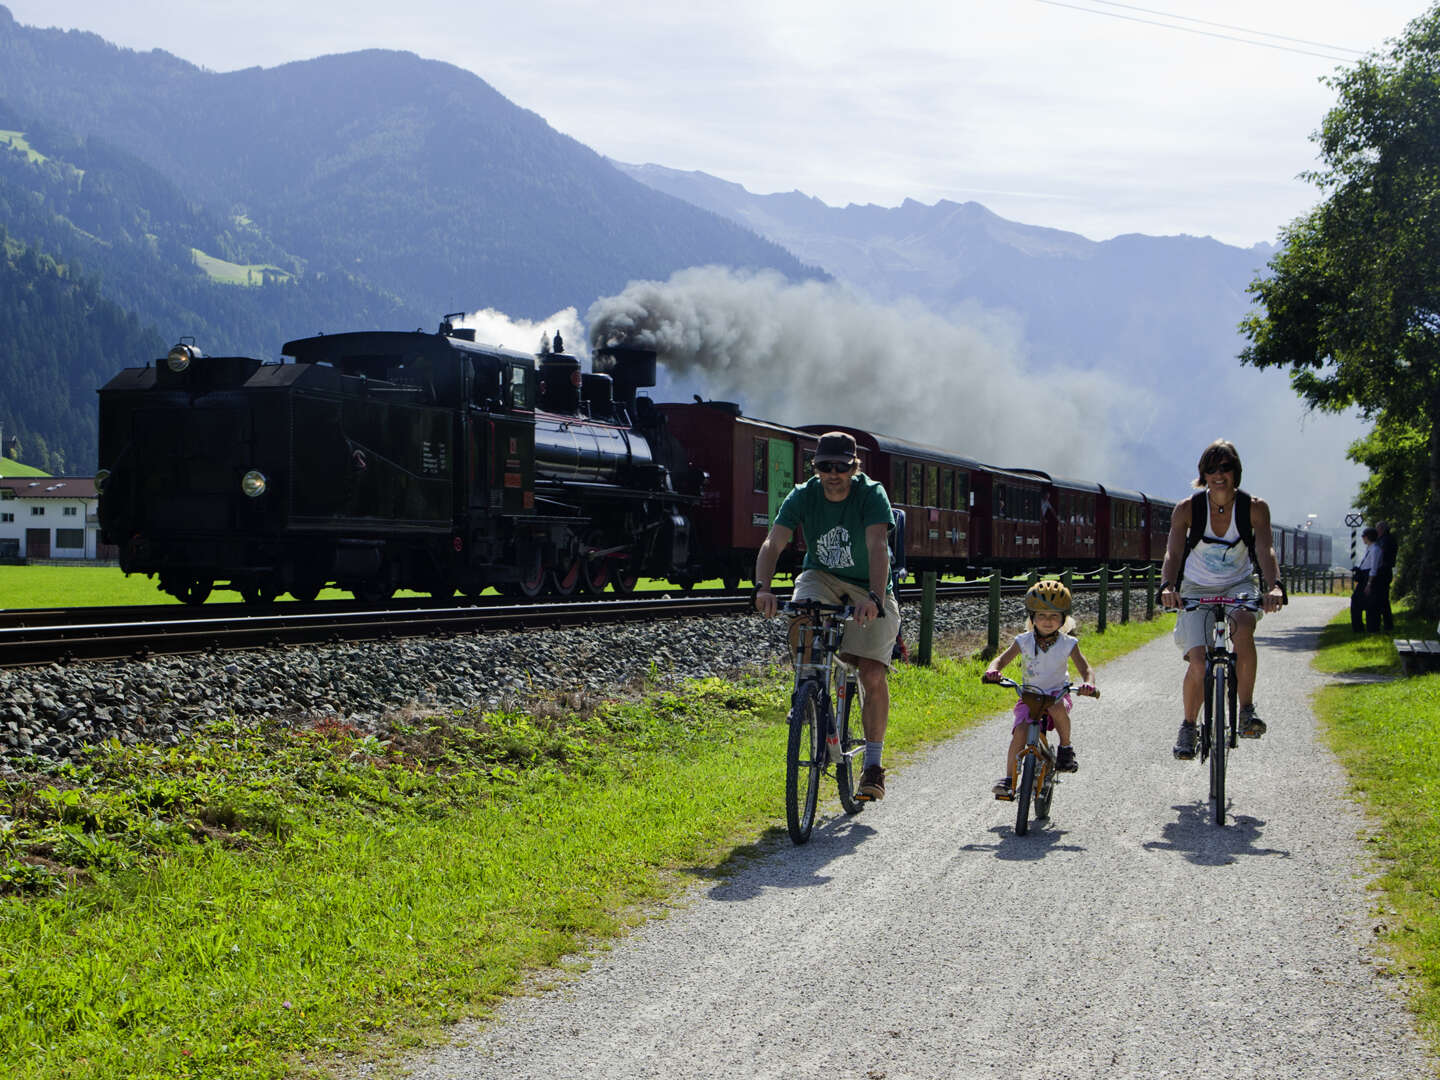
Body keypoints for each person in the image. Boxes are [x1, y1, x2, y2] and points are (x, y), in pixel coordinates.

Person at [754, 430, 902, 801]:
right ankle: (805, 693)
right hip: (820, 576)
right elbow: (774, 541)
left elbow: (877, 544)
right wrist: (763, 587)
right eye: (824, 466)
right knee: (801, 614)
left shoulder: (871, 494)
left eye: (841, 466)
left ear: (855, 467)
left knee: (870, 672)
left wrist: (874, 596)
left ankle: (872, 764)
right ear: (815, 468)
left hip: (867, 582)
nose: (833, 474)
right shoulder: (803, 495)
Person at [1159, 440, 1285, 760]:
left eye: (1225, 467)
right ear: (1202, 474)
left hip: (1238, 585)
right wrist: (1167, 586)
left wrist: (1274, 587)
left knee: (1243, 628)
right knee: (1198, 664)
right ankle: (1188, 726)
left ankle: (1246, 710)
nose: (1219, 474)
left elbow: (1265, 549)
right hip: (1196, 588)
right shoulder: (1188, 509)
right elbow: (1173, 552)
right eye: (1211, 469)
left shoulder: (1254, 508)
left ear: (1235, 472)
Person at [982, 580, 1096, 799]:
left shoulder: (1068, 643)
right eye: (1041, 615)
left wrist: (1088, 683)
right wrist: (992, 670)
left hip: (1056, 694)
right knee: (1020, 732)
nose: (1047, 621)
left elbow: (1085, 668)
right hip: (1029, 697)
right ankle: (1009, 779)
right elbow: (1000, 660)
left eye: (1054, 616)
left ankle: (1065, 748)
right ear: (1032, 617)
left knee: (1055, 707)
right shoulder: (1023, 641)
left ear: (1063, 619)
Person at [1352, 527, 1381, 633]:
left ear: (1368, 537)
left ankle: (1367, 628)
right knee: (1359, 601)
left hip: (1369, 579)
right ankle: (1360, 627)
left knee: (1360, 602)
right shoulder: (1369, 549)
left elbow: (1373, 568)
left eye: (1363, 536)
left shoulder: (1375, 550)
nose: (1362, 538)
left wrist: (1369, 584)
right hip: (1365, 577)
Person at [1375, 520, 1397, 632]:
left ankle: (1386, 624)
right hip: (1386, 571)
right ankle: (1386, 624)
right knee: (1383, 599)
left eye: (1377, 529)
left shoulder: (1385, 541)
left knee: (1382, 599)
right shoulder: (1388, 539)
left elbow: (1382, 557)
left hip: (1383, 572)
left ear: (1381, 529)